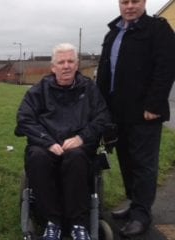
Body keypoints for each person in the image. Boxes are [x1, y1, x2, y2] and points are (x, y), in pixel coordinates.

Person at [96, 0, 175, 237]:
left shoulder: (158, 29)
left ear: (144, 3)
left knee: (143, 164)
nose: (130, 6)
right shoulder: (113, 33)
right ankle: (134, 203)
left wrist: (154, 105)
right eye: (124, 2)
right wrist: (99, 108)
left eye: (135, 1)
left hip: (144, 113)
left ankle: (142, 214)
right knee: (126, 160)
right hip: (117, 112)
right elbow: (104, 72)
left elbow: (167, 68)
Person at [15, 43, 110, 240]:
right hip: (48, 145)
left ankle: (78, 224)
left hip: (79, 148)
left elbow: (102, 118)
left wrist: (81, 138)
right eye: (61, 62)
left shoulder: (90, 89)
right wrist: (47, 141)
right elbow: (25, 118)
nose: (66, 66)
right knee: (37, 156)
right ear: (53, 67)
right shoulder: (39, 90)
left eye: (70, 61)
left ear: (77, 65)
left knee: (76, 157)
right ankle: (52, 222)